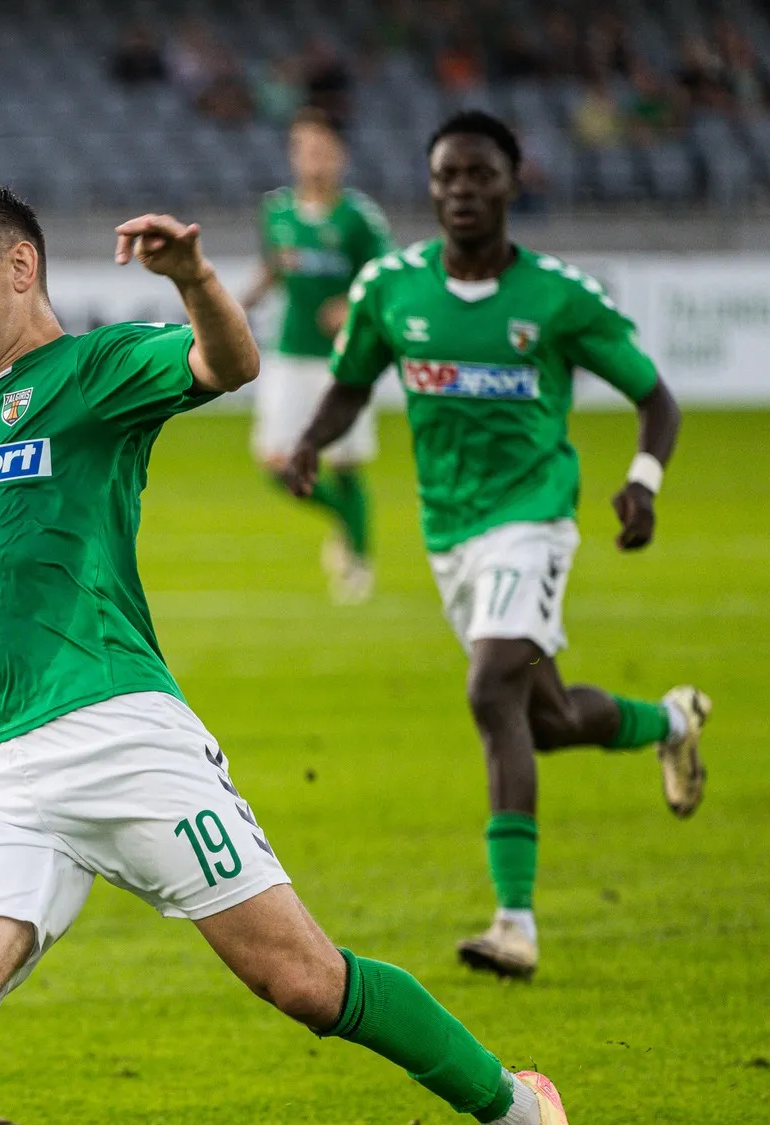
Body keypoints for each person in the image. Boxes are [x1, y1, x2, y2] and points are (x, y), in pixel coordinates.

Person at [0, 174, 601, 1125]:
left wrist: (194, 277)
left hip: (116, 734)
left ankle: (520, 1115)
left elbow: (227, 364)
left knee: (301, 979)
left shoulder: (95, 370)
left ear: (21, 268)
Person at [286, 111, 706, 981]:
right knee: (543, 720)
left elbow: (656, 398)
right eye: (448, 176)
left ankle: (515, 923)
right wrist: (309, 444)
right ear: (431, 187)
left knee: (488, 689)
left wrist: (643, 482)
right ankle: (672, 722)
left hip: (534, 517)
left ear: (514, 184)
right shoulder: (391, 289)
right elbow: (351, 383)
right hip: (449, 532)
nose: (463, 191)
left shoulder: (557, 297)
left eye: (481, 175)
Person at [241, 109, 392, 603]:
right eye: (304, 149)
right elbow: (273, 269)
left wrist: (351, 303)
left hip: (343, 360)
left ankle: (359, 565)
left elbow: (387, 280)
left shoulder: (359, 217)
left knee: (346, 464)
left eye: (322, 150)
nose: (313, 160)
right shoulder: (276, 212)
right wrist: (237, 305)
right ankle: (346, 522)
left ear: (340, 156)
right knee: (275, 463)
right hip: (289, 354)